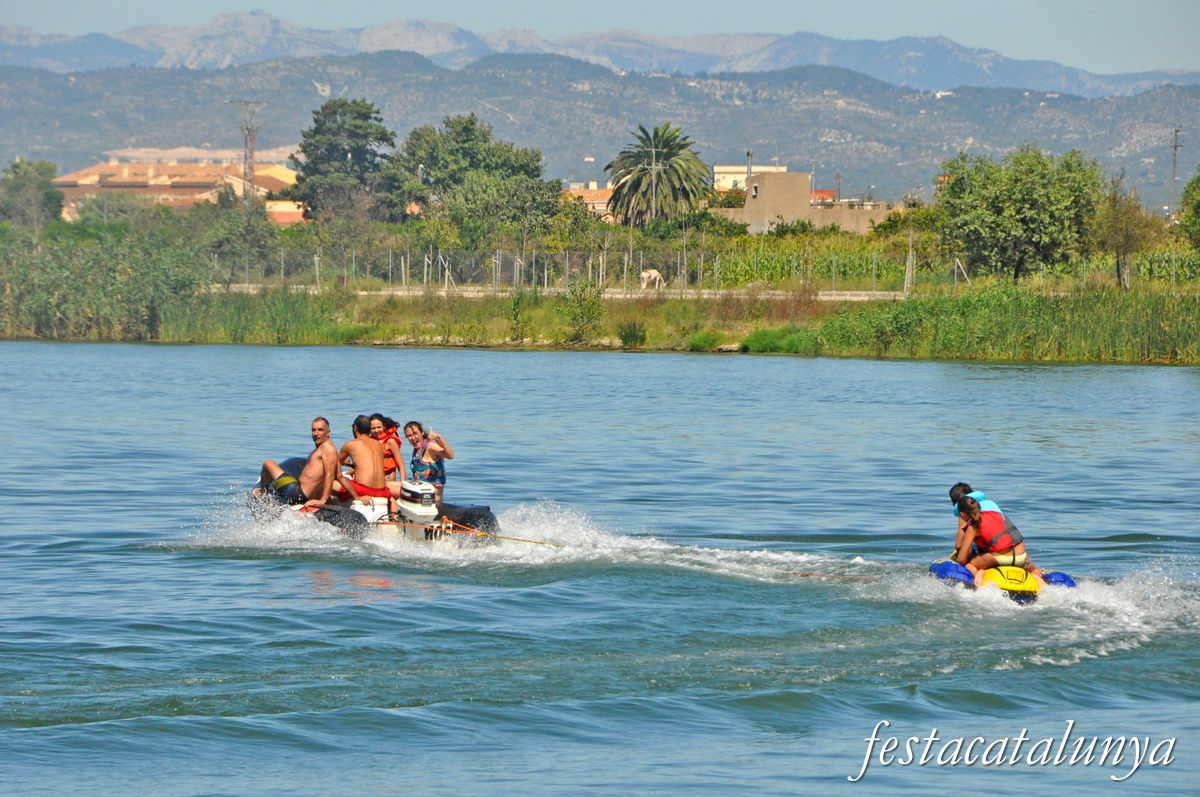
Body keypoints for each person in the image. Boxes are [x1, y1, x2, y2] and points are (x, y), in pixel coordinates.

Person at [954, 495, 1046, 588]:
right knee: (1034, 569)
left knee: (969, 564)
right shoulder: (996, 514)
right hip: (1021, 556)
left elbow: (961, 559)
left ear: (962, 514)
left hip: (1002, 558)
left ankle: (978, 574)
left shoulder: (972, 527)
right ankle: (1036, 577)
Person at [254, 417, 338, 507]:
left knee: (268, 464)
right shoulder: (323, 449)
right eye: (313, 430)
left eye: (320, 430)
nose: (316, 433)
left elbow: (330, 475)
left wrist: (323, 500)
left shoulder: (328, 448)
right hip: (300, 491)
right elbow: (324, 477)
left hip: (297, 493)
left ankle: (263, 493)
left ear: (328, 432)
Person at [335, 415, 396, 513]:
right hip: (383, 491)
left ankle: (327, 512)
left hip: (363, 490)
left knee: (328, 483)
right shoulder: (378, 444)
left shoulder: (350, 444)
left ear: (355, 428)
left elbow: (333, 464)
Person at [948, 482, 1019, 559]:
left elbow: (958, 545)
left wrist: (959, 554)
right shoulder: (991, 504)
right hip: (1012, 545)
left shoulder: (965, 513)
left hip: (990, 550)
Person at [404, 421, 454, 502]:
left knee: (391, 487)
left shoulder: (430, 446)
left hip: (432, 495)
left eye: (415, 433)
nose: (413, 438)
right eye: (409, 435)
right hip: (423, 492)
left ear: (422, 433)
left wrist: (439, 437)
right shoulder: (418, 449)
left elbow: (450, 455)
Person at [369, 414, 405, 483]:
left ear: (384, 427)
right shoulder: (369, 441)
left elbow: (401, 466)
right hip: (374, 481)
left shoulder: (390, 441)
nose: (376, 430)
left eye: (379, 427)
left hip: (388, 480)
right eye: (373, 428)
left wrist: (402, 483)